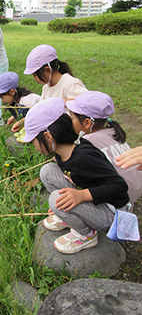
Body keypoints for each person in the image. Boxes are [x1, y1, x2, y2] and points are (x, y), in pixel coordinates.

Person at [23, 97, 129, 254]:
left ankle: (87, 235)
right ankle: (70, 216)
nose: (34, 147)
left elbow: (120, 187)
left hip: (113, 214)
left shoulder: (84, 157)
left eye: (33, 142)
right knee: (47, 171)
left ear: (48, 137)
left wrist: (82, 195)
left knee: (55, 199)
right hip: (95, 202)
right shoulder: (62, 154)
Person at [66, 91, 142, 210]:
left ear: (87, 123)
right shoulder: (113, 130)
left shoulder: (87, 141)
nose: (71, 121)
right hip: (136, 188)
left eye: (72, 118)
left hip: (120, 197)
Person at [12, 44, 87, 132]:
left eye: (35, 75)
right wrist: (24, 121)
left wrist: (57, 103)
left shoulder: (70, 83)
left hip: (71, 131)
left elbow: (86, 102)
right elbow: (41, 109)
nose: (34, 78)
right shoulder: (46, 88)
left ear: (48, 70)